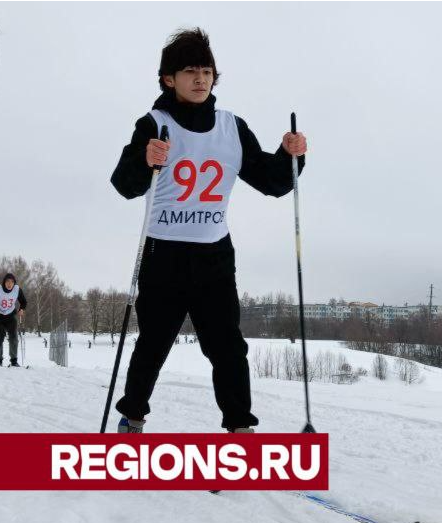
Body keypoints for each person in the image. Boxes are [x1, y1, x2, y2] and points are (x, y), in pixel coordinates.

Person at [109, 28, 307, 434]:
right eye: (190, 71)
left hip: (214, 256)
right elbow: (124, 185)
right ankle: (132, 419)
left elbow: (272, 182)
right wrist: (144, 160)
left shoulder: (232, 127)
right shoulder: (153, 124)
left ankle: (240, 430)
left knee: (228, 349)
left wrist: (290, 156)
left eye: (207, 71)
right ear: (168, 79)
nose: (201, 79)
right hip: (163, 255)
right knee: (153, 345)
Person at [0, 273, 27, 367]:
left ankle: (14, 361)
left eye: (12, 282)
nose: (10, 284)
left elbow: (24, 302)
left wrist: (21, 309)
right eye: (8, 281)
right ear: (4, 282)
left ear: (14, 283)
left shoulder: (17, 289)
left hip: (11, 316)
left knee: (14, 338)